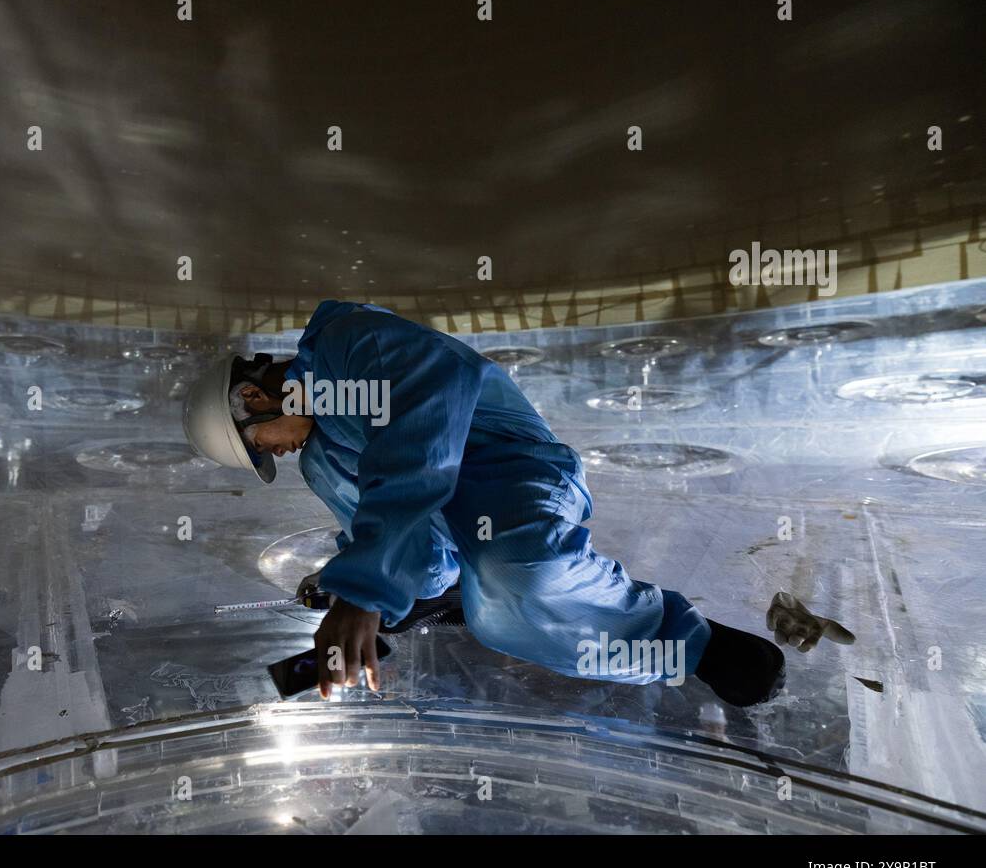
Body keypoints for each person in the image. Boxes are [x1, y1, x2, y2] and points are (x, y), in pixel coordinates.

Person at [184, 301, 831, 705]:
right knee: (490, 611)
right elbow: (380, 517)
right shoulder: (323, 459)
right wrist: (387, 598)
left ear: (252, 401)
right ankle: (447, 597)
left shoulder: (347, 344)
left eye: (262, 447)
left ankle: (689, 642)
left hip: (512, 474)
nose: (278, 455)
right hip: (461, 540)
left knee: (521, 575)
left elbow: (422, 421)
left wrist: (362, 592)